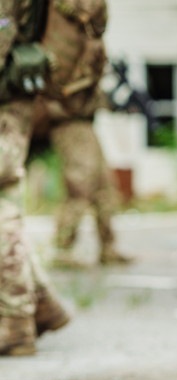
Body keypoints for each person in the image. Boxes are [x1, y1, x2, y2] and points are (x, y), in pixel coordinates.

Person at [32, 0, 131, 268]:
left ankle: (107, 246)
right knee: (81, 181)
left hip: (80, 113)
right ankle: (62, 247)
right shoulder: (62, 16)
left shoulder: (84, 28)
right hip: (66, 115)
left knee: (103, 184)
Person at [0, 0, 71, 355]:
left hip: (6, 99)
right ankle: (42, 306)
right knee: (5, 203)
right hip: (11, 97)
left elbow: (3, 28)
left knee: (3, 212)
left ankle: (16, 325)